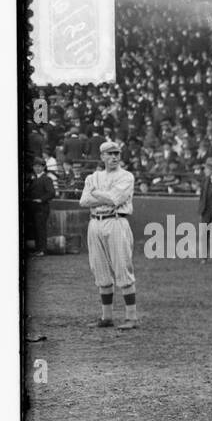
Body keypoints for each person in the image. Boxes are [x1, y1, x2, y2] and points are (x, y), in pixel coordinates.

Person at [79, 141, 138, 329]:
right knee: (100, 269)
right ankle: (107, 317)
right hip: (95, 222)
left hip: (116, 221)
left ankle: (131, 318)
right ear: (102, 156)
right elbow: (83, 201)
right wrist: (101, 196)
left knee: (122, 267)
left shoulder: (126, 176)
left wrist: (95, 193)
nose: (114, 157)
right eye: (109, 154)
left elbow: (116, 199)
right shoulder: (93, 176)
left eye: (117, 153)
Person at [28, 159, 55, 256]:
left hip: (42, 208)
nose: (37, 168)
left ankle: (42, 250)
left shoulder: (46, 179)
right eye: (35, 166)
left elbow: (52, 193)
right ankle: (38, 249)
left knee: (41, 229)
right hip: (33, 207)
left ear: (43, 167)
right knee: (35, 229)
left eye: (39, 166)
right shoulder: (33, 178)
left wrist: (41, 199)